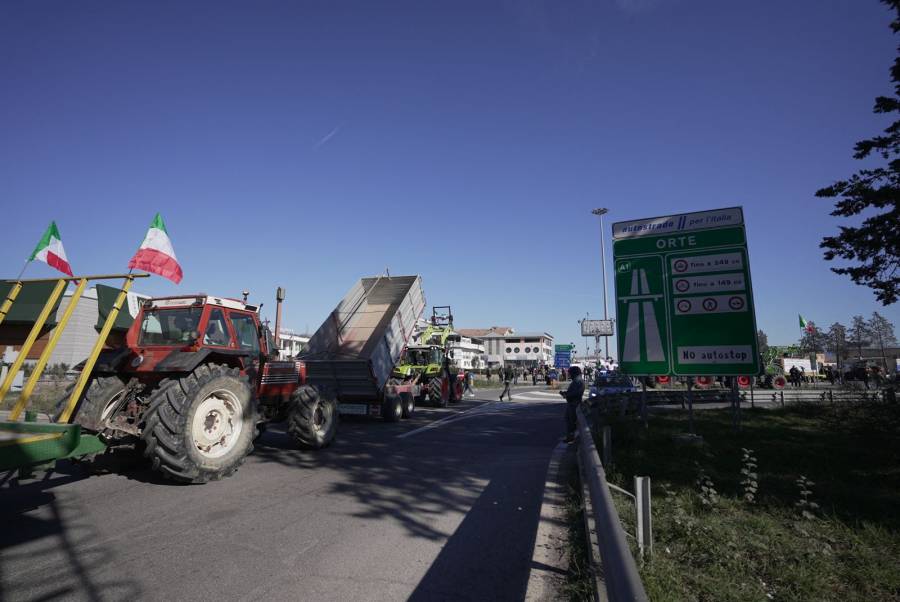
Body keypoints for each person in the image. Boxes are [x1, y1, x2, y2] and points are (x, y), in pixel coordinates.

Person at [560, 366, 585, 443]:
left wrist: (567, 394)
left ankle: (572, 437)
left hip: (574, 403)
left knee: (572, 421)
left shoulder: (578, 381)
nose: (569, 375)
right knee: (569, 420)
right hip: (572, 403)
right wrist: (566, 393)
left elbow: (577, 392)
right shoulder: (576, 380)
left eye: (570, 373)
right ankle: (571, 437)